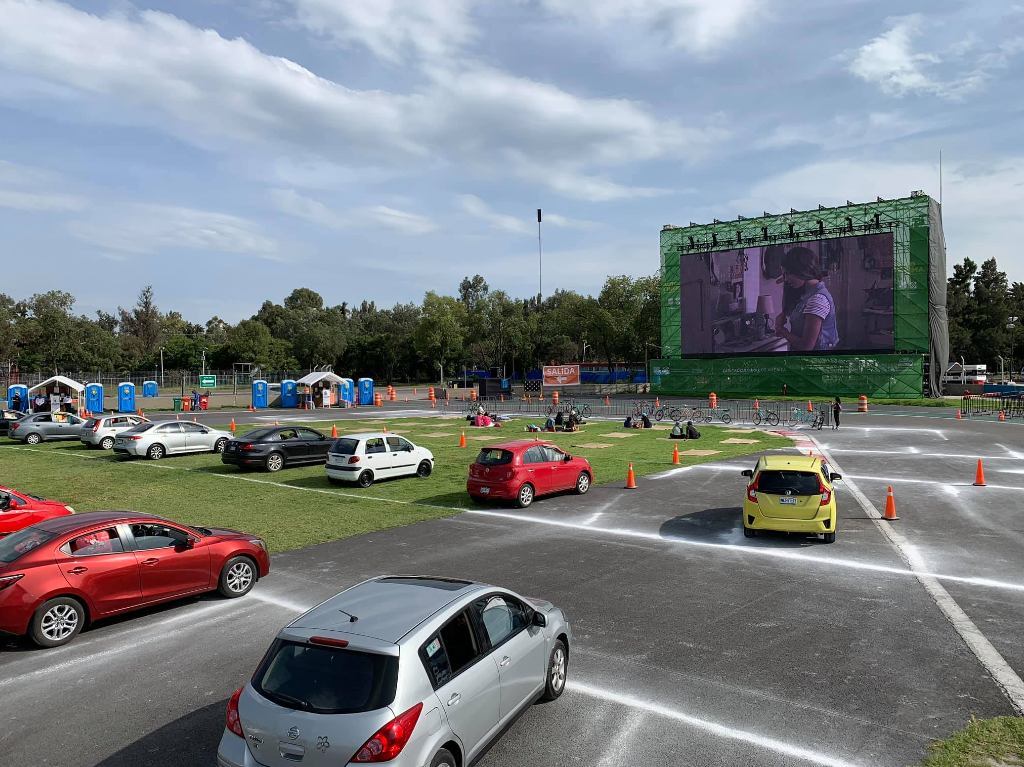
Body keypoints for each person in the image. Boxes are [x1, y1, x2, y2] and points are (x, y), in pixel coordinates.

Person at [774, 246, 839, 352]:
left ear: (801, 270)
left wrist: (783, 331)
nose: (785, 279)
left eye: (787, 273)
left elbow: (806, 347)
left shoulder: (817, 300)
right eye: (784, 274)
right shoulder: (807, 293)